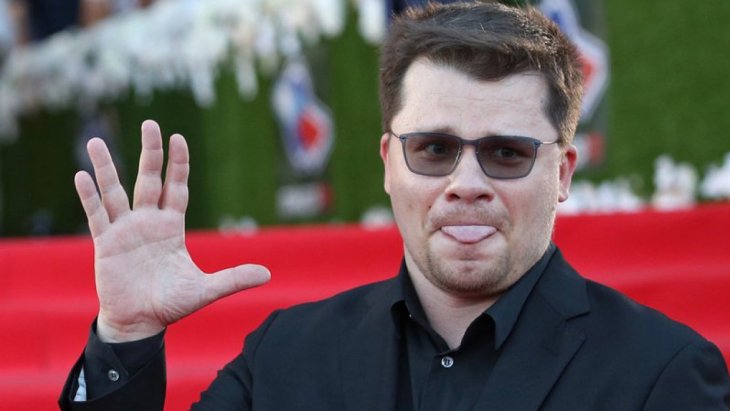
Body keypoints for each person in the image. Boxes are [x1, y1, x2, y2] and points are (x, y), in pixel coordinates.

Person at [59, 2, 730, 410]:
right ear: (387, 163)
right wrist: (127, 336)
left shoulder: (662, 373)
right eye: (434, 149)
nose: (466, 182)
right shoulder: (286, 355)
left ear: (562, 172)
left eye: (506, 153)